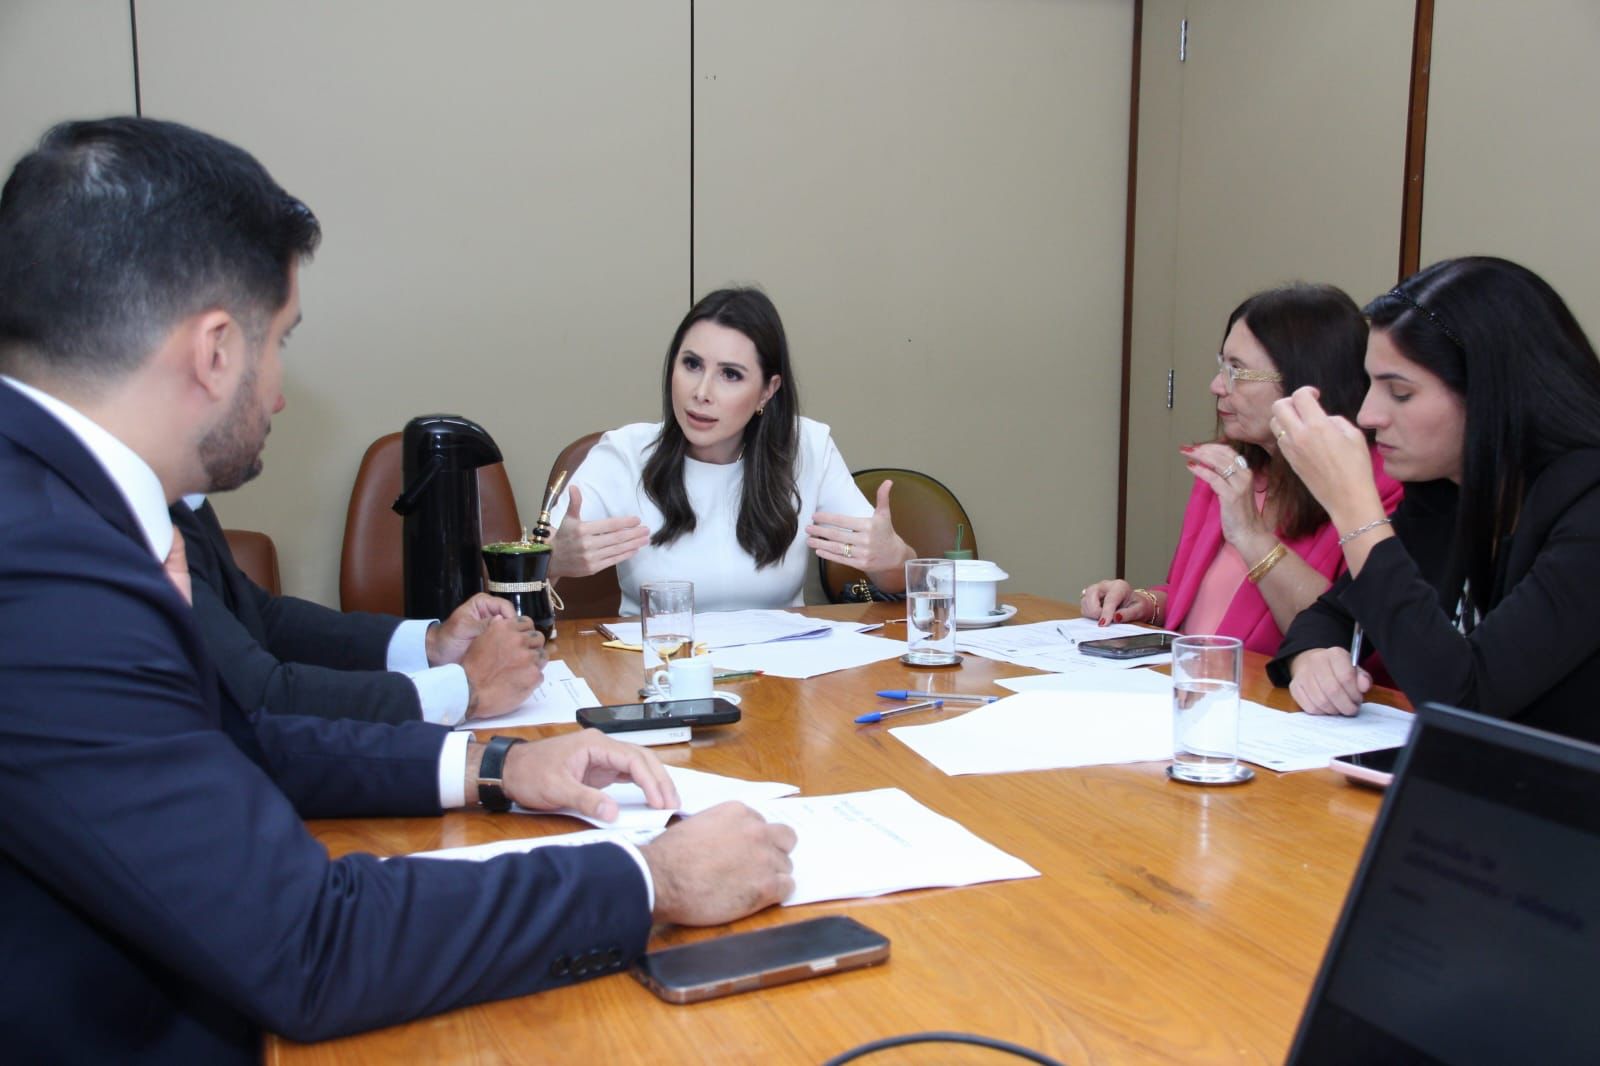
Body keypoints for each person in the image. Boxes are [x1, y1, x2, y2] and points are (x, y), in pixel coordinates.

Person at [0, 116, 796, 1062]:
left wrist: (494, 767)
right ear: (214, 351)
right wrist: (650, 880)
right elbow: (312, 943)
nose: (280, 391)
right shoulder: (46, 578)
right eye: (280, 342)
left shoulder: (56, 506)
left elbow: (240, 739)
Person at [1266, 257, 1600, 744]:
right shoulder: (1444, 492)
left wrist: (1354, 509)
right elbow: (1331, 616)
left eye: (1400, 393)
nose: (1368, 415)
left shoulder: (1587, 505)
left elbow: (1464, 698)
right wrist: (1312, 657)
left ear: (1489, 393)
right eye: (1371, 386)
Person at [546, 287, 915, 614]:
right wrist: (552, 560)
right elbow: (526, 569)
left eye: (730, 374)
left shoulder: (807, 447)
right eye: (692, 364)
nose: (701, 392)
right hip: (658, 659)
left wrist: (891, 558)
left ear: (768, 391)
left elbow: (899, 578)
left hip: (780, 665)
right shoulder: (625, 454)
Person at [1081, 285, 1402, 655]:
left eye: (1237, 370)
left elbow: (1348, 637)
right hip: (1191, 677)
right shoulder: (1230, 466)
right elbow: (1201, 607)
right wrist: (1145, 603)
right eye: (1222, 366)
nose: (1216, 385)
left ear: (1305, 383)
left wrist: (1251, 535)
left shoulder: (1372, 489)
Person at [173, 493, 544, 725]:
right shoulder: (149, 527)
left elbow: (261, 616)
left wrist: (432, 644)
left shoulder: (183, 502)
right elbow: (261, 699)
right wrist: (466, 689)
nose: (278, 402)